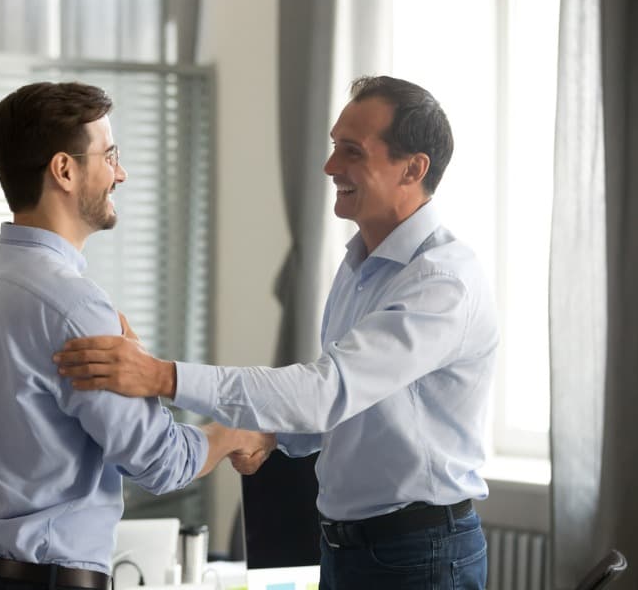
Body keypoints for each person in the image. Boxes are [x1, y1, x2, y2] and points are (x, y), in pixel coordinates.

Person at [54, 75, 498, 590]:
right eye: (334, 148)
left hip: (417, 554)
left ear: (413, 168)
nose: (331, 167)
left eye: (351, 152)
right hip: (349, 547)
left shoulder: (441, 282)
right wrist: (266, 434)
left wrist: (161, 377)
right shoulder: (361, 264)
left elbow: (325, 393)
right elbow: (347, 411)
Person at [0, 81, 264, 590]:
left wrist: (139, 372)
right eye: (110, 156)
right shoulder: (74, 305)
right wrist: (236, 431)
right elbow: (160, 462)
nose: (120, 173)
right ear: (64, 170)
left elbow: (42, 430)